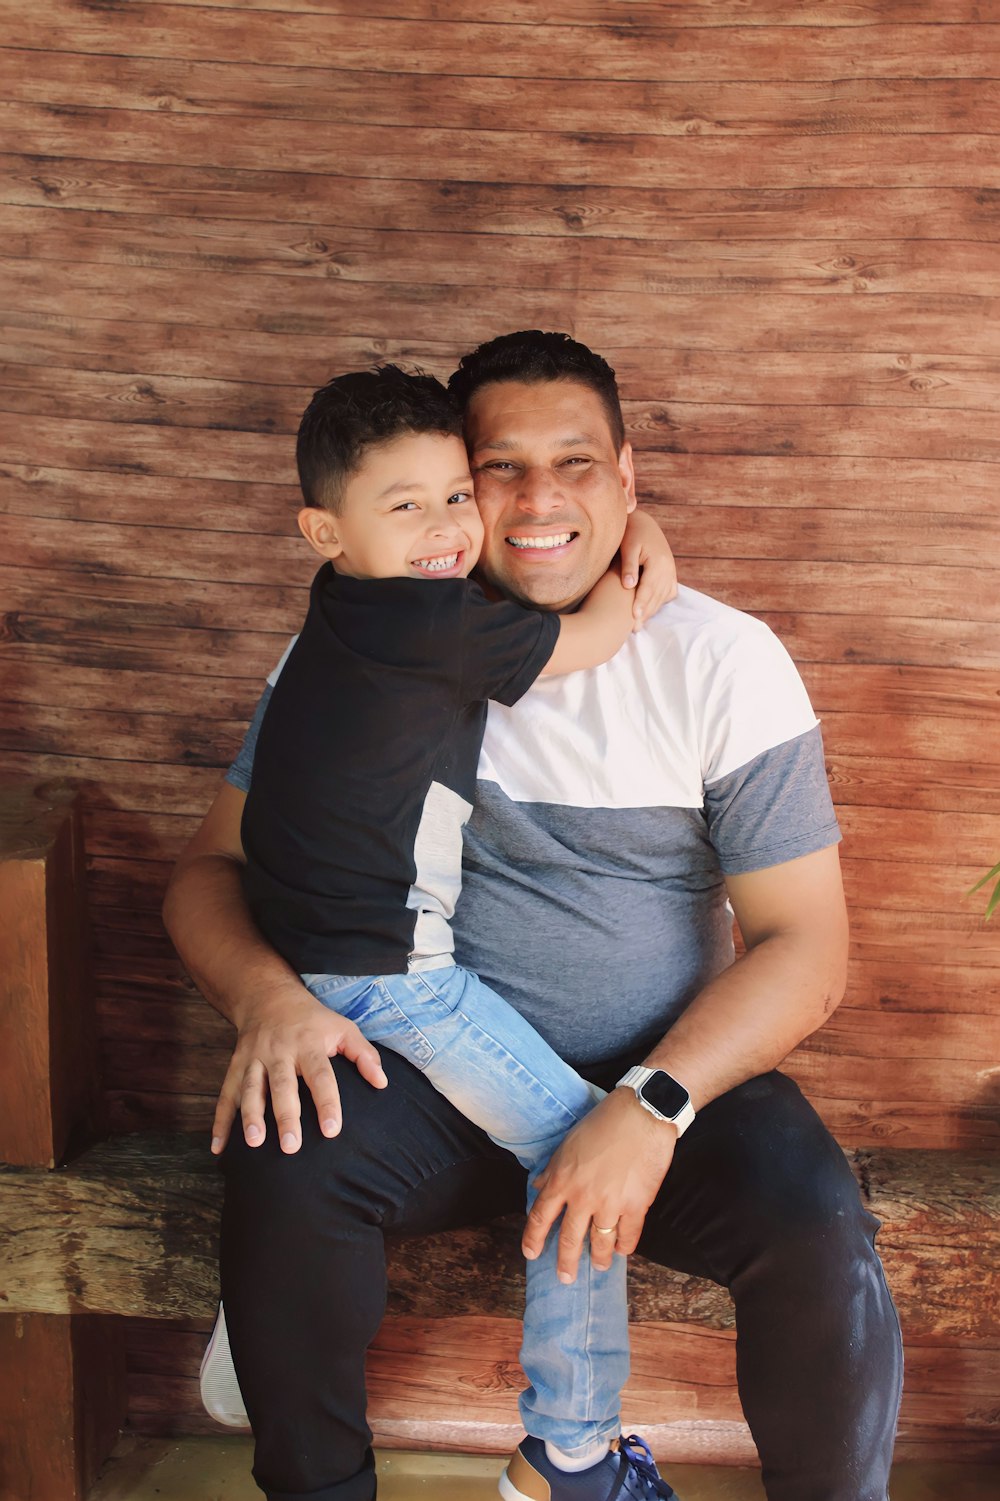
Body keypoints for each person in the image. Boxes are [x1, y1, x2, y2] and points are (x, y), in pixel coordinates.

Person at [164, 331, 904, 1501]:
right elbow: (208, 871)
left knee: (816, 1224)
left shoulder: (720, 659)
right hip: (427, 1081)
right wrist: (265, 999)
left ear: (626, 478)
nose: (537, 497)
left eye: (576, 466)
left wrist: (651, 1101)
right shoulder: (368, 646)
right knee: (286, 1159)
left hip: (670, 1086)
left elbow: (806, 949)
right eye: (500, 467)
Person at [234, 361, 678, 1482]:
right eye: (406, 505)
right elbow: (595, 637)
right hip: (391, 974)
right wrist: (639, 550)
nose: (443, 529)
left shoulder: (346, 609)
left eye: (450, 496)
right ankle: (572, 1447)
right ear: (322, 531)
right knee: (579, 1148)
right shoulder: (430, 622)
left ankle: (268, 1325)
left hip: (325, 957)